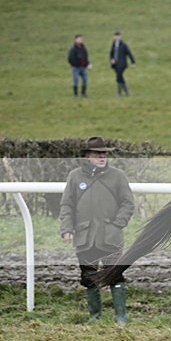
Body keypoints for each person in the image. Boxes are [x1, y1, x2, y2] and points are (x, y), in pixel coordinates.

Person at [59, 137, 135, 324]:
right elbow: (67, 204)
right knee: (89, 275)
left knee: (114, 274)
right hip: (84, 236)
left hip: (111, 236)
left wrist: (117, 224)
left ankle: (121, 317)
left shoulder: (117, 176)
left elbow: (128, 203)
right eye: (97, 154)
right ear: (87, 156)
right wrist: (67, 228)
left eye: (104, 154)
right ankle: (94, 316)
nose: (102, 157)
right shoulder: (75, 176)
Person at [109, 31, 135, 97]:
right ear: (114, 37)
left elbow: (129, 53)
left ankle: (121, 92)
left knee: (119, 76)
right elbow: (111, 53)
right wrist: (112, 59)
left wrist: (133, 62)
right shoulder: (113, 44)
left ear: (121, 37)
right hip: (115, 64)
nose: (117, 37)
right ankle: (124, 92)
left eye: (118, 36)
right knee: (119, 77)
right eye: (116, 36)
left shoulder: (124, 45)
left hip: (122, 64)